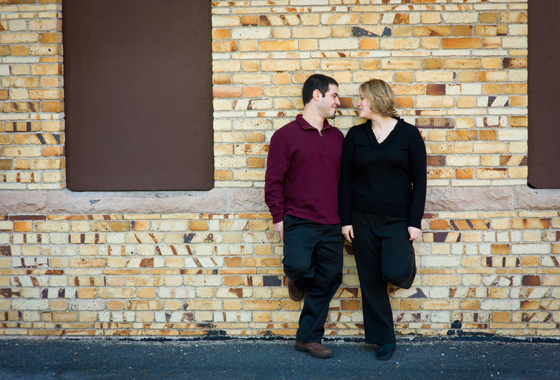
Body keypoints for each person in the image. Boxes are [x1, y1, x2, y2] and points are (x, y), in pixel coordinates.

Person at [338, 79, 427, 361]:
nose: (358, 103)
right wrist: (346, 220)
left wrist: (414, 221)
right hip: (362, 218)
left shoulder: (409, 135)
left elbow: (419, 180)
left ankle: (403, 268)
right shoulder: (355, 135)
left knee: (394, 271)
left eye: (362, 98)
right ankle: (384, 339)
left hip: (397, 220)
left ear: (377, 99)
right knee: (370, 279)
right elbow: (345, 181)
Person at [265, 74, 344, 359]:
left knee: (330, 277)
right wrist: (278, 217)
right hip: (298, 219)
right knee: (298, 267)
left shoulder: (337, 137)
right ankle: (297, 280)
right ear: (316, 95)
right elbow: (274, 181)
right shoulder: (285, 136)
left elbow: (344, 182)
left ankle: (308, 337)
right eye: (334, 95)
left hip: (331, 222)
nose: (338, 101)